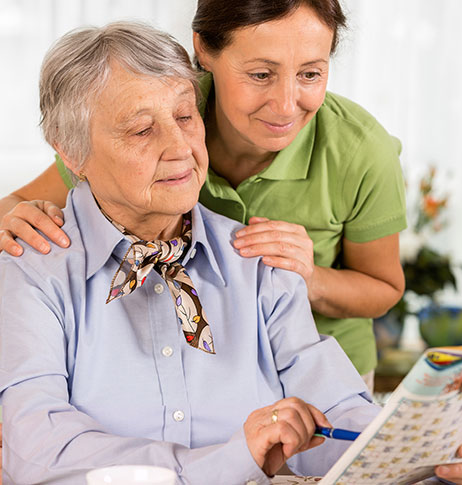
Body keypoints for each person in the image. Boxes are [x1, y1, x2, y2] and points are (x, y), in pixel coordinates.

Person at [0, 21, 379, 485]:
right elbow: (38, 448)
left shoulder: (258, 262)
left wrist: (431, 455)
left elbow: (338, 416)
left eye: (185, 117)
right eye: (141, 130)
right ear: (70, 153)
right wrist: (229, 462)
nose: (180, 147)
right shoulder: (32, 269)